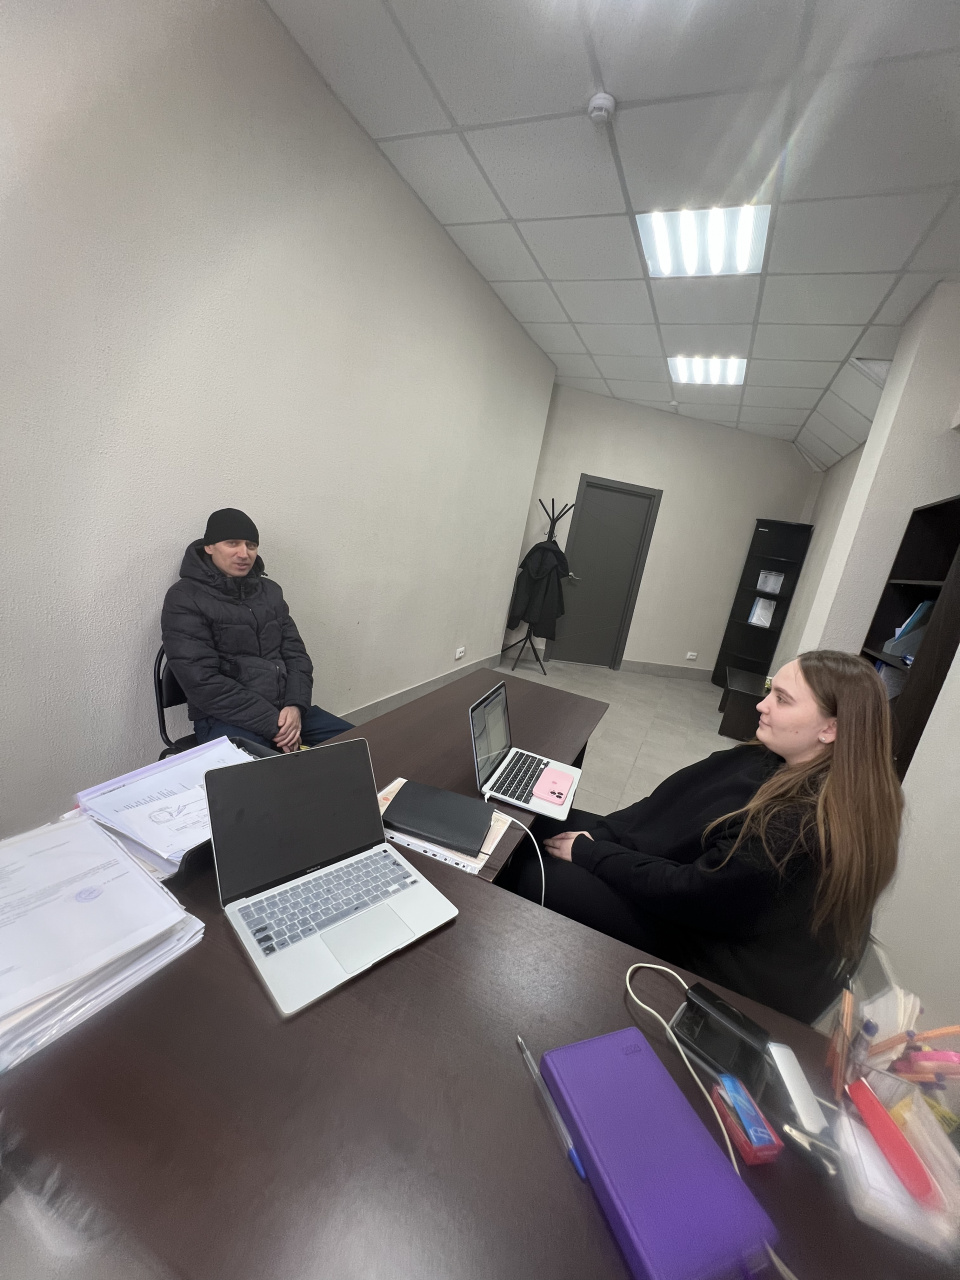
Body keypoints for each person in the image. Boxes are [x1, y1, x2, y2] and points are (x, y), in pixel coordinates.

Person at [503, 651, 903, 1022]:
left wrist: (595, 855)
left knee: (532, 871)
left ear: (830, 729)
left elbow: (692, 893)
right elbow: (667, 812)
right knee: (537, 824)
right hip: (709, 899)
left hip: (714, 950)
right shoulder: (775, 760)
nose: (761, 705)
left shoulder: (798, 825)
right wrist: (603, 836)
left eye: (782, 700)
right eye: (770, 691)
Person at [161, 508, 353, 753]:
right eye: (232, 543)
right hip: (225, 718)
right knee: (267, 775)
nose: (244, 554)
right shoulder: (184, 598)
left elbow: (297, 656)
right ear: (209, 547)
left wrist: (296, 706)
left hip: (286, 712)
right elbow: (201, 681)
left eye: (251, 545)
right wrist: (274, 725)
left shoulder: (270, 592)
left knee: (368, 744)